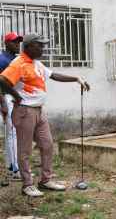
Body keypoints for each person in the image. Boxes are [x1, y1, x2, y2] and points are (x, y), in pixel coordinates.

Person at [0, 33, 90, 197]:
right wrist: (17, 96)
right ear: (27, 47)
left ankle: (46, 180)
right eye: (39, 45)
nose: (43, 48)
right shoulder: (18, 63)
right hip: (25, 111)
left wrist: (77, 78)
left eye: (43, 45)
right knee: (24, 150)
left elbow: (54, 75)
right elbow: (2, 80)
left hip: (39, 111)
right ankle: (27, 185)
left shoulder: (36, 63)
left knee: (47, 145)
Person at [0, 32, 23, 181]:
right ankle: (15, 170)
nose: (17, 45)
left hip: (12, 99)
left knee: (11, 133)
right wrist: (3, 103)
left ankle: (11, 167)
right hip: (6, 99)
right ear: (6, 43)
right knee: (12, 133)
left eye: (19, 42)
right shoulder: (2, 59)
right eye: (14, 42)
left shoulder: (14, 59)